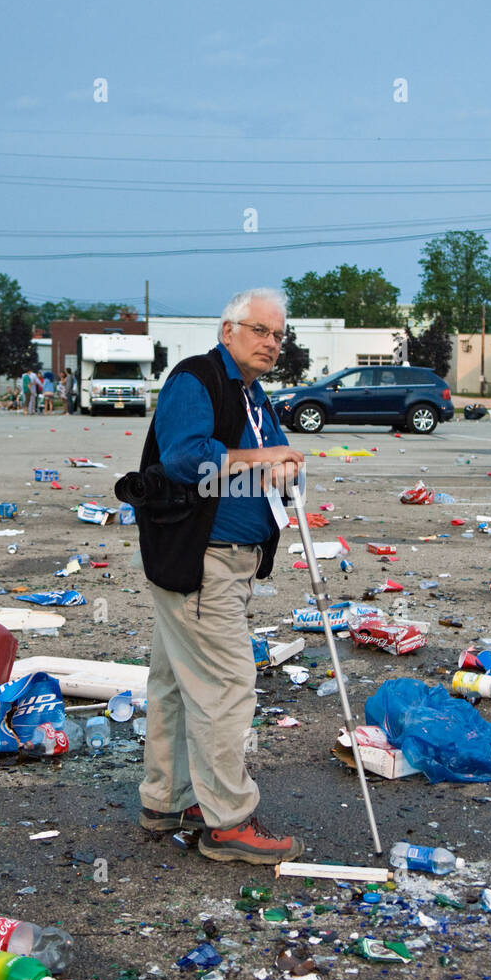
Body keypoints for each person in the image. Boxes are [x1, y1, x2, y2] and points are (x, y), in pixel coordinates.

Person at [131, 288, 306, 865]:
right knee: (228, 687)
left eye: (279, 335)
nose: (271, 344)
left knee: (176, 685)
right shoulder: (197, 379)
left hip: (227, 560)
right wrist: (262, 462)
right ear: (228, 329)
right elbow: (187, 458)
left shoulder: (254, 395)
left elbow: (272, 459)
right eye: (260, 331)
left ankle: (168, 798)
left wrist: (282, 472)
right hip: (199, 560)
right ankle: (227, 821)